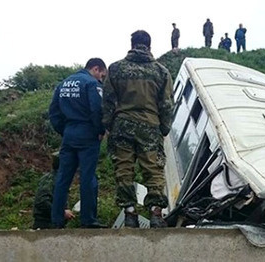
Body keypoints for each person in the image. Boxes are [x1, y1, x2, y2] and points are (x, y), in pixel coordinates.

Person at [102, 30, 174, 228]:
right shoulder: (161, 72)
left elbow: (107, 100)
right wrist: (164, 128)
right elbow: (167, 104)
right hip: (150, 126)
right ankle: (156, 214)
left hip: (122, 125)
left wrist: (108, 124)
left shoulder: (115, 69)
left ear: (132, 44)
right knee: (153, 169)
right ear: (149, 46)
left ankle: (130, 214)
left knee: (124, 168)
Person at [49, 58, 107, 229]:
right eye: (101, 76)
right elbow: (97, 109)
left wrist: (65, 131)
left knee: (63, 177)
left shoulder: (63, 84)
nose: (101, 79)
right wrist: (99, 130)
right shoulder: (91, 84)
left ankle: (57, 219)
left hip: (69, 134)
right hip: (88, 135)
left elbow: (53, 113)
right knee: (87, 177)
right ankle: (88, 220)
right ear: (96, 69)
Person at [32, 152, 75, 229]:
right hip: (45, 225)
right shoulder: (50, 180)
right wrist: (62, 212)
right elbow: (41, 201)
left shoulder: (60, 179)